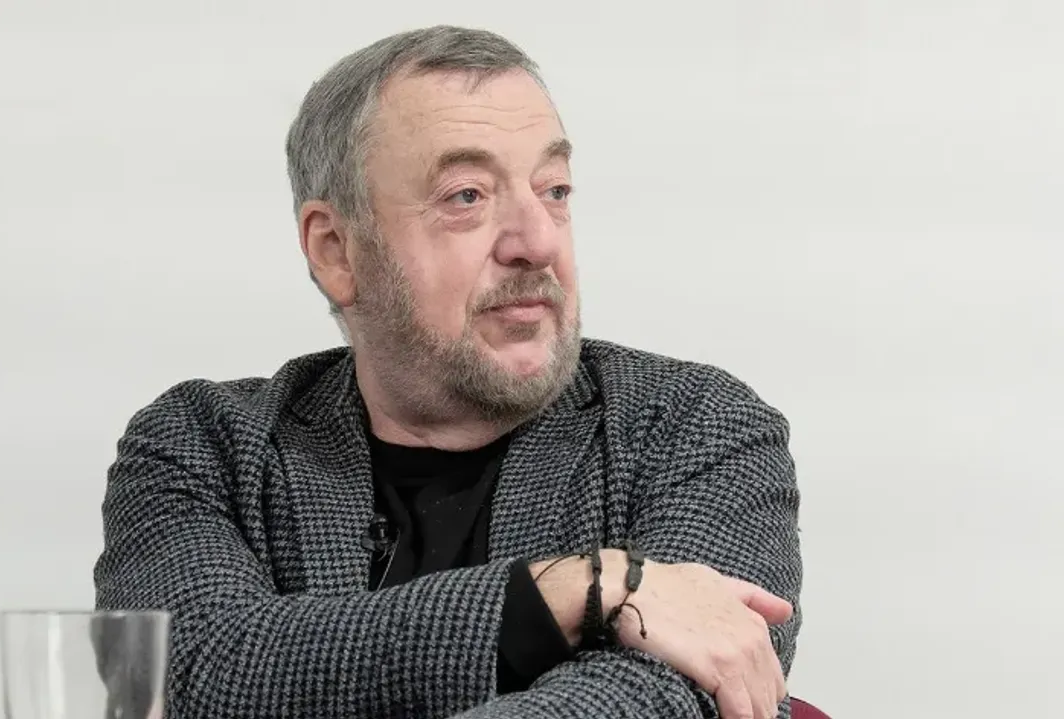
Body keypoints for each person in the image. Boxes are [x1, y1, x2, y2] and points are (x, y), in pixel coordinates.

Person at [93, 24, 803, 719]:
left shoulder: (693, 427)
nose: (537, 241)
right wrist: (580, 589)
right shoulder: (203, 445)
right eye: (467, 196)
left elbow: (667, 696)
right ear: (337, 251)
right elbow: (189, 673)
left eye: (555, 189)